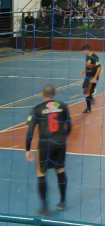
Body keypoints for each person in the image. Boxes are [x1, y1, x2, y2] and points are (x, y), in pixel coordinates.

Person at [25, 84, 71, 215]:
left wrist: (27, 149)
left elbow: (30, 132)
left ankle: (44, 208)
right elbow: (70, 126)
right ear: (54, 94)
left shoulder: (36, 109)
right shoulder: (63, 106)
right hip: (60, 143)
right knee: (60, 171)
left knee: (41, 173)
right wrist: (62, 138)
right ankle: (62, 202)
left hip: (45, 145)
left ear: (43, 95)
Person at [80, 44, 102, 113]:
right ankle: (91, 97)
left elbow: (99, 67)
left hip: (92, 77)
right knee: (84, 87)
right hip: (87, 76)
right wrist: (83, 71)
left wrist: (95, 78)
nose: (83, 52)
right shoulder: (87, 56)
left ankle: (88, 108)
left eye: (83, 51)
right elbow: (87, 65)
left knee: (87, 93)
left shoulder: (94, 57)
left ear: (87, 50)